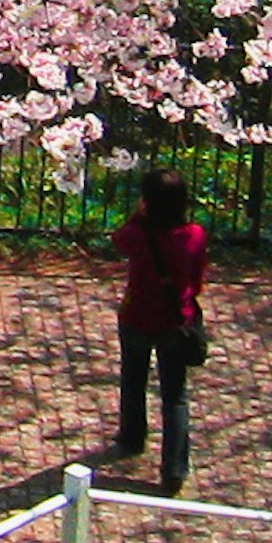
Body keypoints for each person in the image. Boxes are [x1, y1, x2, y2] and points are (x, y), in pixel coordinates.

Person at [111, 168, 209, 493]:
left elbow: (118, 241)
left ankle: (131, 436)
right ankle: (174, 468)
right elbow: (196, 281)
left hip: (136, 316)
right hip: (173, 320)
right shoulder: (194, 235)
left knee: (133, 379)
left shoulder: (138, 235)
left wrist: (137, 216)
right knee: (174, 395)